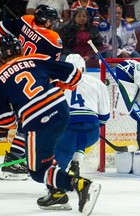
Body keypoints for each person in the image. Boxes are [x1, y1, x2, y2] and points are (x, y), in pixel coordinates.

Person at [0, 35, 101, 215]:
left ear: (0, 55)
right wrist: (55, 84)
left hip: (37, 120)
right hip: (61, 109)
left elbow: (6, 122)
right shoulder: (36, 59)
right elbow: (75, 76)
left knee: (37, 171)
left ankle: (81, 185)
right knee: (48, 155)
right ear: (20, 49)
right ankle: (57, 193)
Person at [0, 4, 63, 181]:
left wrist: (4, 50)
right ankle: (16, 157)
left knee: (24, 118)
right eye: (52, 20)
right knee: (31, 118)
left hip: (12, 73)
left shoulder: (25, 20)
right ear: (46, 20)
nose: (53, 24)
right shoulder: (54, 38)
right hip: (34, 76)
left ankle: (16, 156)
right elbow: (51, 66)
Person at [37, 54, 110, 210]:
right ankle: (76, 161)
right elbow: (105, 116)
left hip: (67, 129)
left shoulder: (57, 84)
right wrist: (93, 127)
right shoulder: (98, 83)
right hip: (92, 130)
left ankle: (57, 193)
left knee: (56, 155)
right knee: (78, 141)